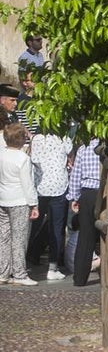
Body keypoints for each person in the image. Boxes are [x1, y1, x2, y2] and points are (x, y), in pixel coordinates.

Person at [28, 129, 70, 282]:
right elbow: (69, 153)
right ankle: (53, 267)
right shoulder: (63, 137)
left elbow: (33, 160)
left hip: (40, 187)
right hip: (59, 186)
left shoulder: (37, 138)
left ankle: (22, 262)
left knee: (32, 226)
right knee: (56, 228)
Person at [0, 122, 39, 286]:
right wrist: (34, 204)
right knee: (20, 238)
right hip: (20, 200)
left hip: (3, 198)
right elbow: (27, 183)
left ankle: (3, 272)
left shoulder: (1, 154)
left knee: (4, 237)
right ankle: (20, 273)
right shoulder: (23, 158)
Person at [68, 138, 101, 287]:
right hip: (106, 191)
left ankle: (80, 278)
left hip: (87, 193)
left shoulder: (83, 149)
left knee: (85, 237)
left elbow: (76, 174)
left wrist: (74, 197)